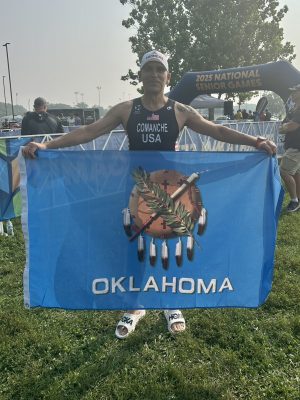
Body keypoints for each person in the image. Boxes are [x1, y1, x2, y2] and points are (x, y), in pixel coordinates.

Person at [22, 50, 276, 339]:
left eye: (160, 70)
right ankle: (135, 304)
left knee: (169, 246)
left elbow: (216, 130)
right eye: (149, 69)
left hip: (172, 192)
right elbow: (90, 131)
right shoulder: (126, 109)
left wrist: (254, 140)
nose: (154, 74)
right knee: (135, 248)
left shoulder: (180, 111)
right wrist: (47, 147)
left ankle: (171, 302)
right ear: (140, 75)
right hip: (135, 191)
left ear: (167, 76)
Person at [279, 84, 300, 212]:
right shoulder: (294, 109)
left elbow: (292, 126)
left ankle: (294, 201)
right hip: (294, 146)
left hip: (296, 147)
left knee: (284, 171)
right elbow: (284, 123)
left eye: (295, 91)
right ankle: (298, 199)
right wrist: (284, 126)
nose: (292, 94)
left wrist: (284, 127)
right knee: (296, 173)